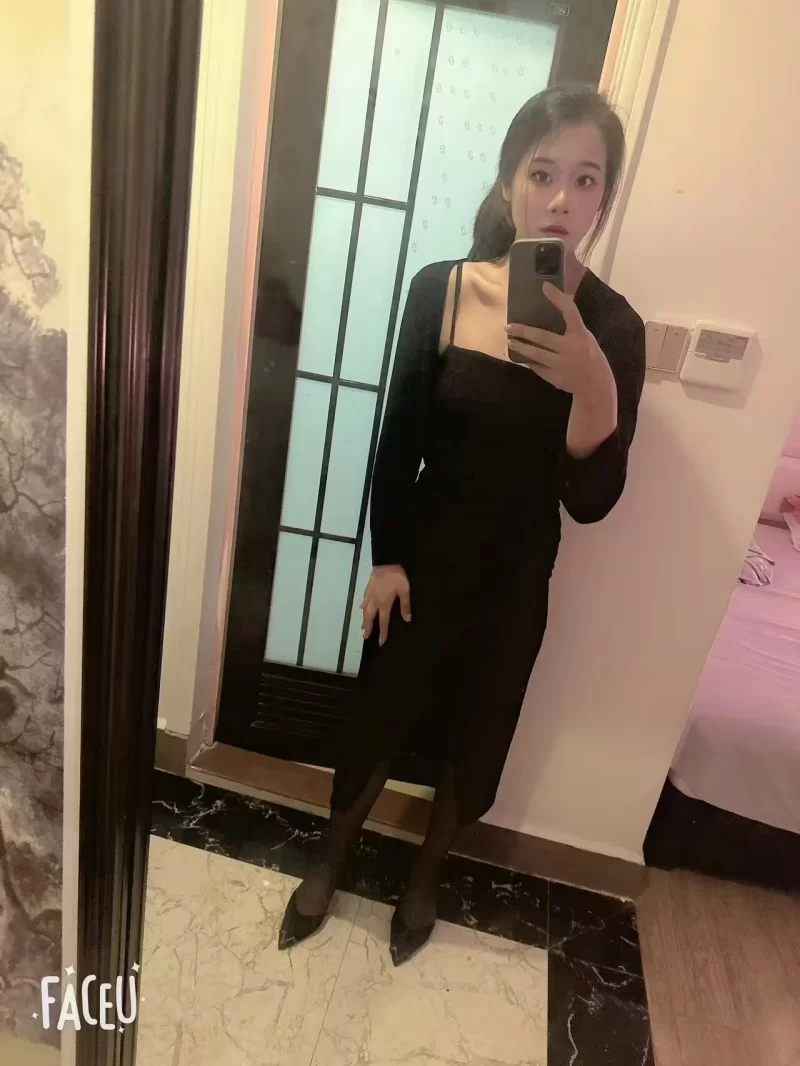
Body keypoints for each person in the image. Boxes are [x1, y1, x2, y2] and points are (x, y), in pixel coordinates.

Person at [279, 84, 646, 964]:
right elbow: (398, 434)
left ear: (605, 197)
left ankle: (427, 877)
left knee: (479, 735)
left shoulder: (616, 328)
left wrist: (593, 381)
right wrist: (385, 558)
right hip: (424, 558)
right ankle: (330, 858)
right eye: (543, 173)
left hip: (518, 572)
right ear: (509, 177)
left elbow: (591, 501)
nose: (561, 200)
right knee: (379, 716)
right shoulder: (441, 289)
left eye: (587, 180)